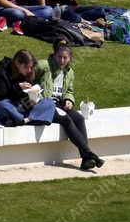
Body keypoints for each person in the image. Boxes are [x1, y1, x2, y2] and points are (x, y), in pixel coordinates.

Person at [33, 40, 105, 171]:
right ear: (54, 55)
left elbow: (69, 91)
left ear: (70, 58)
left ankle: (86, 159)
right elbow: (28, 75)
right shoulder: (43, 65)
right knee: (66, 119)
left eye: (65, 58)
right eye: (59, 57)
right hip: (46, 104)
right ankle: (90, 155)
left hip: (60, 104)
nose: (61, 60)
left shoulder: (69, 72)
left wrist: (69, 100)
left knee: (79, 118)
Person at [0, 49, 38, 126]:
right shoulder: (0, 73)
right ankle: (23, 119)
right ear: (17, 63)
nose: (29, 70)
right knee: (4, 105)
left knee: (48, 102)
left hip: (18, 107)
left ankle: (18, 120)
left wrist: (32, 98)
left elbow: (23, 98)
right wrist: (18, 87)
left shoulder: (27, 74)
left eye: (31, 67)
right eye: (26, 67)